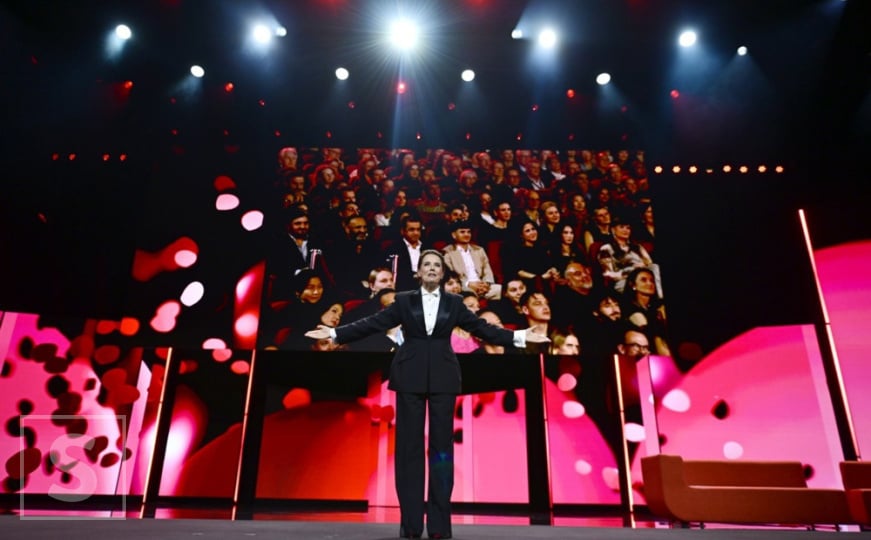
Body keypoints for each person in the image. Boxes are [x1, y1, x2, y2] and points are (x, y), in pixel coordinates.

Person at [305, 250, 548, 539]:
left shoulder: (455, 303)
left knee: (441, 452)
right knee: (409, 451)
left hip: (444, 378)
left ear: (442, 274)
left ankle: (439, 526)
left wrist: (519, 336)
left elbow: (482, 328)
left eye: (436, 265)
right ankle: (410, 525)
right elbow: (372, 323)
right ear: (419, 272)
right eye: (427, 265)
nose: (432, 268)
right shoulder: (403, 301)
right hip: (409, 376)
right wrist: (335, 334)